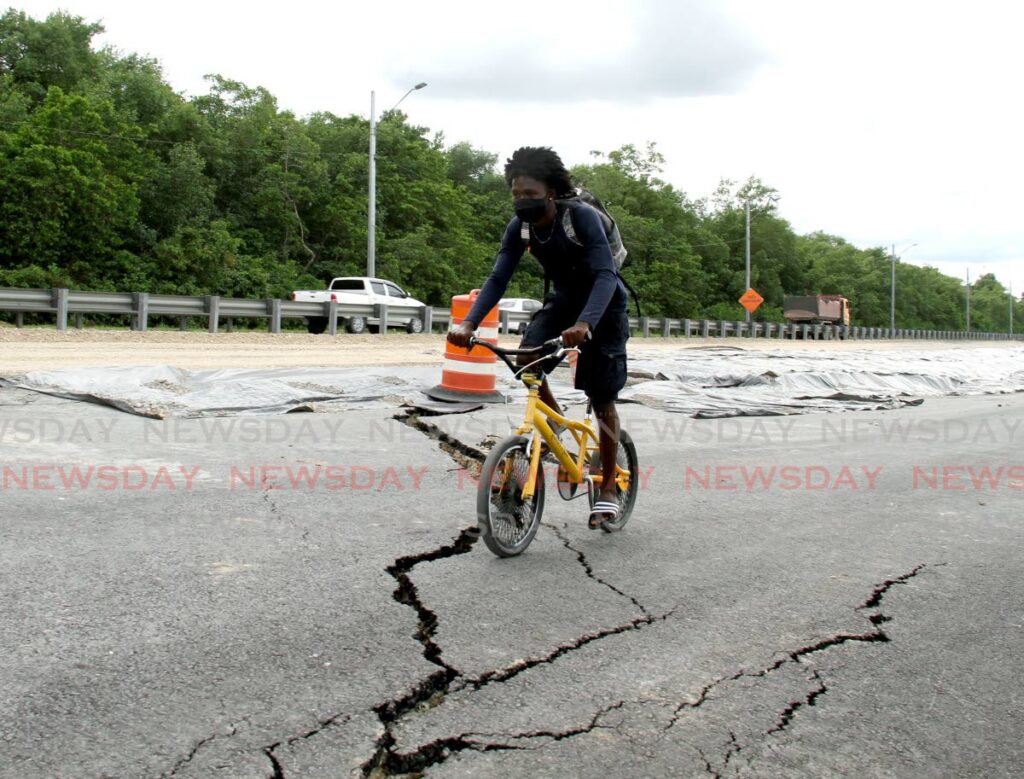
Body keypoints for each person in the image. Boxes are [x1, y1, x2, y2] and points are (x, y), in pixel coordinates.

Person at [447, 146, 630, 529]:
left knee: (601, 398)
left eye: (530, 194)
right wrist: (469, 324)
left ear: (550, 192)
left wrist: (585, 324)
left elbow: (605, 275)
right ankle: (558, 425)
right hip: (564, 301)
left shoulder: (579, 217)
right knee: (527, 356)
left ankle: (610, 485)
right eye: (516, 194)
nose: (522, 201)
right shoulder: (521, 227)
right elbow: (499, 278)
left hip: (604, 305)